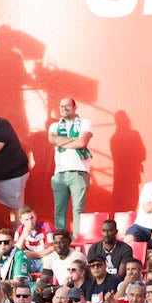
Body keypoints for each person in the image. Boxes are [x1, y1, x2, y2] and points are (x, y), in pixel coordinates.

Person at [47, 96, 92, 236]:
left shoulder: (85, 123)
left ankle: (77, 240)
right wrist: (74, 139)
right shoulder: (54, 126)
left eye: (67, 105)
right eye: (61, 106)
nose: (64, 109)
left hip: (79, 172)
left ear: (74, 107)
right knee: (59, 210)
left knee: (78, 209)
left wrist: (62, 141)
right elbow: (52, 140)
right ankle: (61, 239)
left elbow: (81, 143)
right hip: (60, 173)